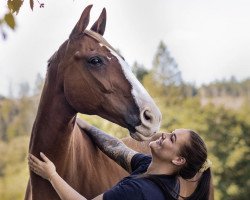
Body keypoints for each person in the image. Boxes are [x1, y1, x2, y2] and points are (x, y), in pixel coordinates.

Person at [28, 118, 212, 200]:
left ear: (179, 160)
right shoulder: (154, 171)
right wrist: (87, 127)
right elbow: (117, 148)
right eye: (171, 133)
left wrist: (52, 175)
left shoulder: (139, 191)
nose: (163, 135)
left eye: (172, 139)